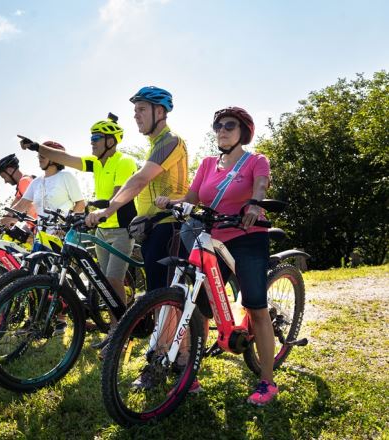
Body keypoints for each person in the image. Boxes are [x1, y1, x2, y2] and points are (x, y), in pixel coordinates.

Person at [155, 106, 277, 405]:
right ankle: (190, 374)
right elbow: (192, 198)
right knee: (198, 305)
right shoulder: (208, 164)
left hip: (247, 237)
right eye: (218, 126)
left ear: (243, 131)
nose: (222, 130)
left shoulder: (256, 161)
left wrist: (254, 204)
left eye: (229, 125)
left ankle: (267, 381)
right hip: (212, 240)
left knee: (256, 307)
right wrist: (170, 202)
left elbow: (261, 185)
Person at [19, 114, 138, 349]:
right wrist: (36, 147)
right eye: (91, 138)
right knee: (103, 283)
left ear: (111, 141)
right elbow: (65, 158)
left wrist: (101, 211)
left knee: (113, 280)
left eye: (96, 138)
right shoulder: (97, 162)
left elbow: (119, 195)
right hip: (102, 230)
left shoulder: (124, 161)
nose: (92, 142)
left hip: (121, 229)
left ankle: (120, 335)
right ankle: (114, 330)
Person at [86, 86, 189, 296]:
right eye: (135, 111)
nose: (136, 116)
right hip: (153, 227)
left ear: (159, 111)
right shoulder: (155, 145)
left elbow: (140, 180)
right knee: (158, 294)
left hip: (168, 226)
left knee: (163, 296)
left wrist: (108, 210)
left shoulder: (170, 140)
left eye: (141, 109)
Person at [9, 141, 85, 335]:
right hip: (40, 235)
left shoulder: (66, 177)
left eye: (44, 154)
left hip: (62, 234)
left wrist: (66, 225)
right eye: (39, 155)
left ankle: (62, 318)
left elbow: (80, 204)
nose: (39, 157)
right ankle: (37, 317)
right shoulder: (37, 182)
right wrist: (4, 219)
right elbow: (22, 205)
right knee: (36, 275)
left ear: (56, 158)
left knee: (59, 274)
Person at [0, 153, 37, 219]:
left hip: (40, 224)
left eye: (4, 177)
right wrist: (7, 217)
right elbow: (14, 206)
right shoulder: (20, 187)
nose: (5, 181)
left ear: (10, 170)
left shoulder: (24, 181)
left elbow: (27, 205)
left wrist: (10, 218)